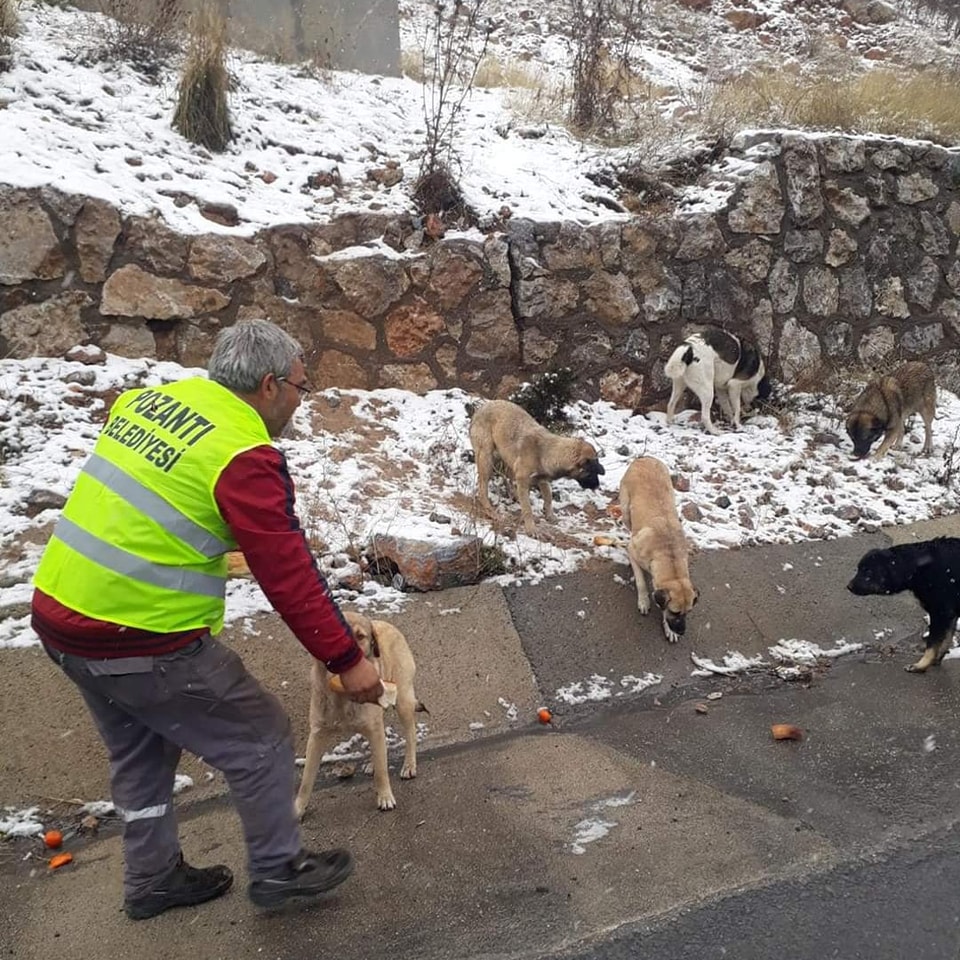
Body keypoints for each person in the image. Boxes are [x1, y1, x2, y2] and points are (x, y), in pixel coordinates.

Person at [31, 319, 384, 919]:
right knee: (261, 736)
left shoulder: (150, 401)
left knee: (141, 754)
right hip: (140, 635)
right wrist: (346, 660)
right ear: (270, 386)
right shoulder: (242, 452)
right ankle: (277, 870)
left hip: (61, 620)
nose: (302, 400)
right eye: (302, 387)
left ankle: (152, 881)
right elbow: (287, 573)